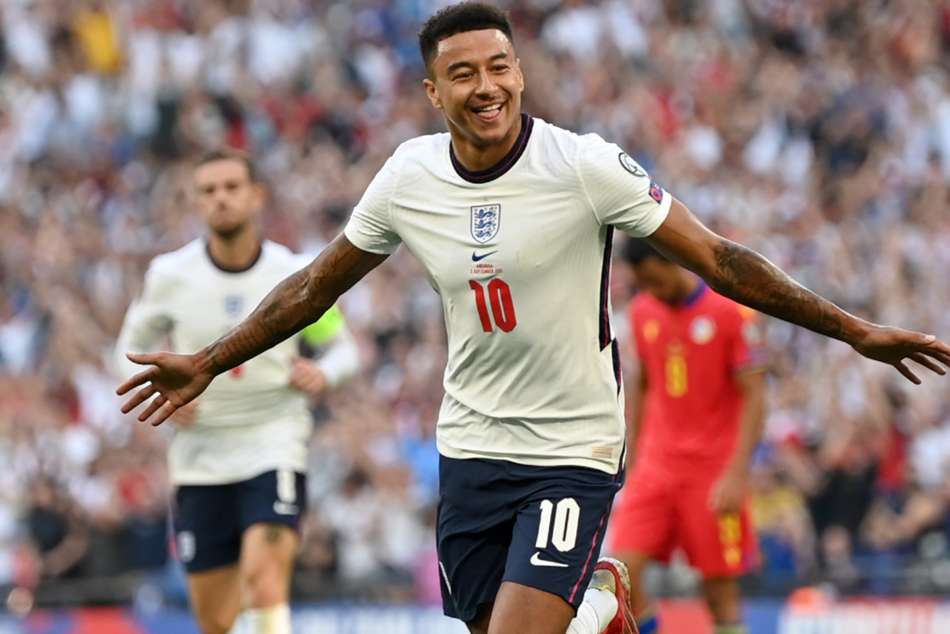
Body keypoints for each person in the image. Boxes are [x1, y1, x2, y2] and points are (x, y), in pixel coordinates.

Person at [115, 3, 950, 634]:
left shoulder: (583, 165)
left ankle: (597, 599)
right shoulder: (408, 177)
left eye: (500, 66)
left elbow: (721, 259)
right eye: (464, 74)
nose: (487, 87)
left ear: (520, 71)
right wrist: (211, 360)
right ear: (432, 91)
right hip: (470, 446)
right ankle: (601, 609)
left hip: (571, 449)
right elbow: (313, 287)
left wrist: (855, 331)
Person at [114, 149, 360, 634]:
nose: (220, 199)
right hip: (199, 455)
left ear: (256, 196)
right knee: (216, 619)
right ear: (196, 201)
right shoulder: (170, 275)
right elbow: (126, 350)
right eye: (208, 191)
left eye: (231, 187)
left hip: (274, 440)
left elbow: (344, 348)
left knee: (264, 580)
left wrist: (324, 373)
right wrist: (160, 394)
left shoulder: (293, 272)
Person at [608, 240, 766, 634]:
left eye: (654, 280)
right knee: (619, 576)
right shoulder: (643, 312)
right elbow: (643, 385)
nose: (651, 290)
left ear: (672, 262)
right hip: (657, 467)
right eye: (642, 283)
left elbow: (755, 397)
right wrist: (635, 458)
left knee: (719, 593)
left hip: (712, 472)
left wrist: (737, 473)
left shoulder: (730, 312)